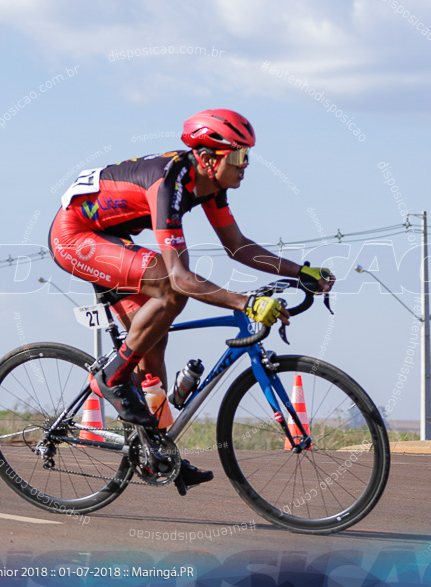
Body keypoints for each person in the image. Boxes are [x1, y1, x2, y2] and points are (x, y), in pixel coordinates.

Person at [48, 109, 334, 492]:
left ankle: (158, 453)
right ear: (207, 158)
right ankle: (110, 378)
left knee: (153, 346)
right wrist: (243, 302)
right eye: (237, 156)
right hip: (74, 236)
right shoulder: (170, 183)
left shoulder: (212, 186)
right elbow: (180, 278)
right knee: (168, 287)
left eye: (248, 155)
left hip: (111, 239)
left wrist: (300, 272)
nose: (245, 165)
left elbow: (237, 245)